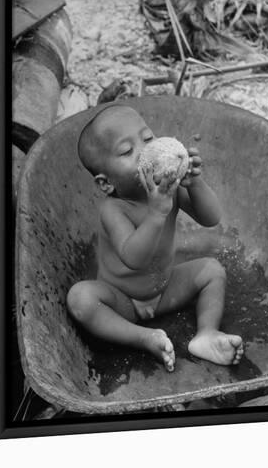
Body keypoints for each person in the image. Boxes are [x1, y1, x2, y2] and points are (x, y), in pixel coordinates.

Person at [66, 103, 243, 372]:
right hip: (122, 300)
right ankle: (144, 338)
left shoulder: (168, 188)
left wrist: (195, 184)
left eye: (148, 138)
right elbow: (133, 258)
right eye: (127, 151)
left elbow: (211, 218)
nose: (145, 151)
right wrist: (157, 214)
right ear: (106, 183)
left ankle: (206, 334)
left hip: (166, 287)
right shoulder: (114, 209)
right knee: (81, 299)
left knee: (212, 270)